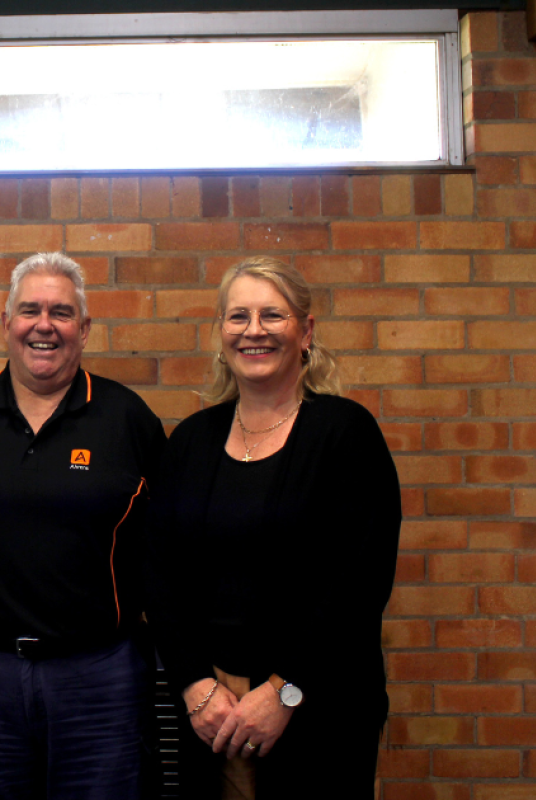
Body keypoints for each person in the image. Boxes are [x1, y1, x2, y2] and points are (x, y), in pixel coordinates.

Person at [148, 256, 401, 800]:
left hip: (321, 708)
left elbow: (358, 585)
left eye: (272, 315)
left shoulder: (346, 435)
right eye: (238, 316)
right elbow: (160, 574)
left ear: (305, 331)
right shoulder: (192, 442)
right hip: (212, 712)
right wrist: (195, 685)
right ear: (221, 332)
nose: (254, 331)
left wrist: (284, 692)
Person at [0, 252, 166, 800]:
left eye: (61, 312)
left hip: (101, 674)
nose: (44, 325)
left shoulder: (129, 420)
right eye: (30, 310)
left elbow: (161, 542)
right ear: (7, 324)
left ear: (85, 328)